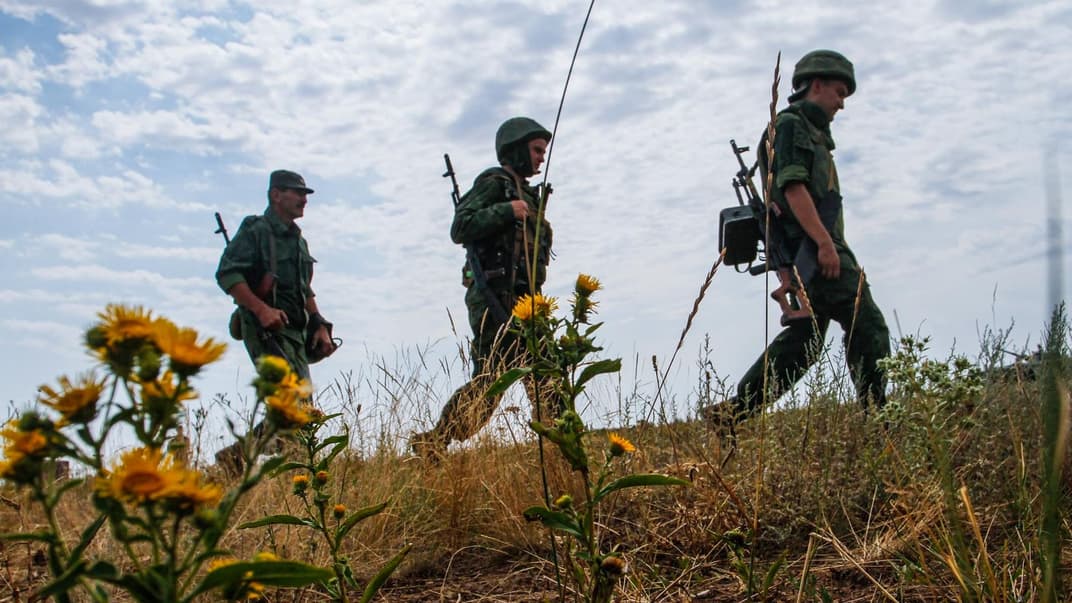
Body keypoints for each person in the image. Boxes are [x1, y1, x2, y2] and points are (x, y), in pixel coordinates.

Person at [709, 50, 891, 430]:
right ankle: (880, 421)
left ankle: (733, 414)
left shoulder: (812, 133)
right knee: (868, 324)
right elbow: (792, 190)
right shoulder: (792, 126)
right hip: (819, 252)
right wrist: (824, 245)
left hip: (811, 253)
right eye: (839, 93)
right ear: (817, 84)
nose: (842, 103)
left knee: (803, 344)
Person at [411, 117, 557, 460]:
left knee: (549, 375)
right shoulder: (495, 184)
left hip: (527, 302)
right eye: (536, 150)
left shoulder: (529, 195)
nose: (540, 158)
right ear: (516, 149)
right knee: (492, 380)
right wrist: (506, 210)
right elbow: (461, 226)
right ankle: (435, 440)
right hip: (495, 298)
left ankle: (557, 449)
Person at [214, 169, 336, 470]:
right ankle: (300, 474)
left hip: (295, 332)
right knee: (290, 406)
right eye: (296, 193)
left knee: (301, 407)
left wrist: (319, 323)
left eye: (305, 194)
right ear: (276, 194)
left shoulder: (298, 241)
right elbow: (228, 274)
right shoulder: (256, 230)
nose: (303, 200)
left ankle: (238, 456)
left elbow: (305, 289)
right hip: (264, 331)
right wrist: (261, 310)